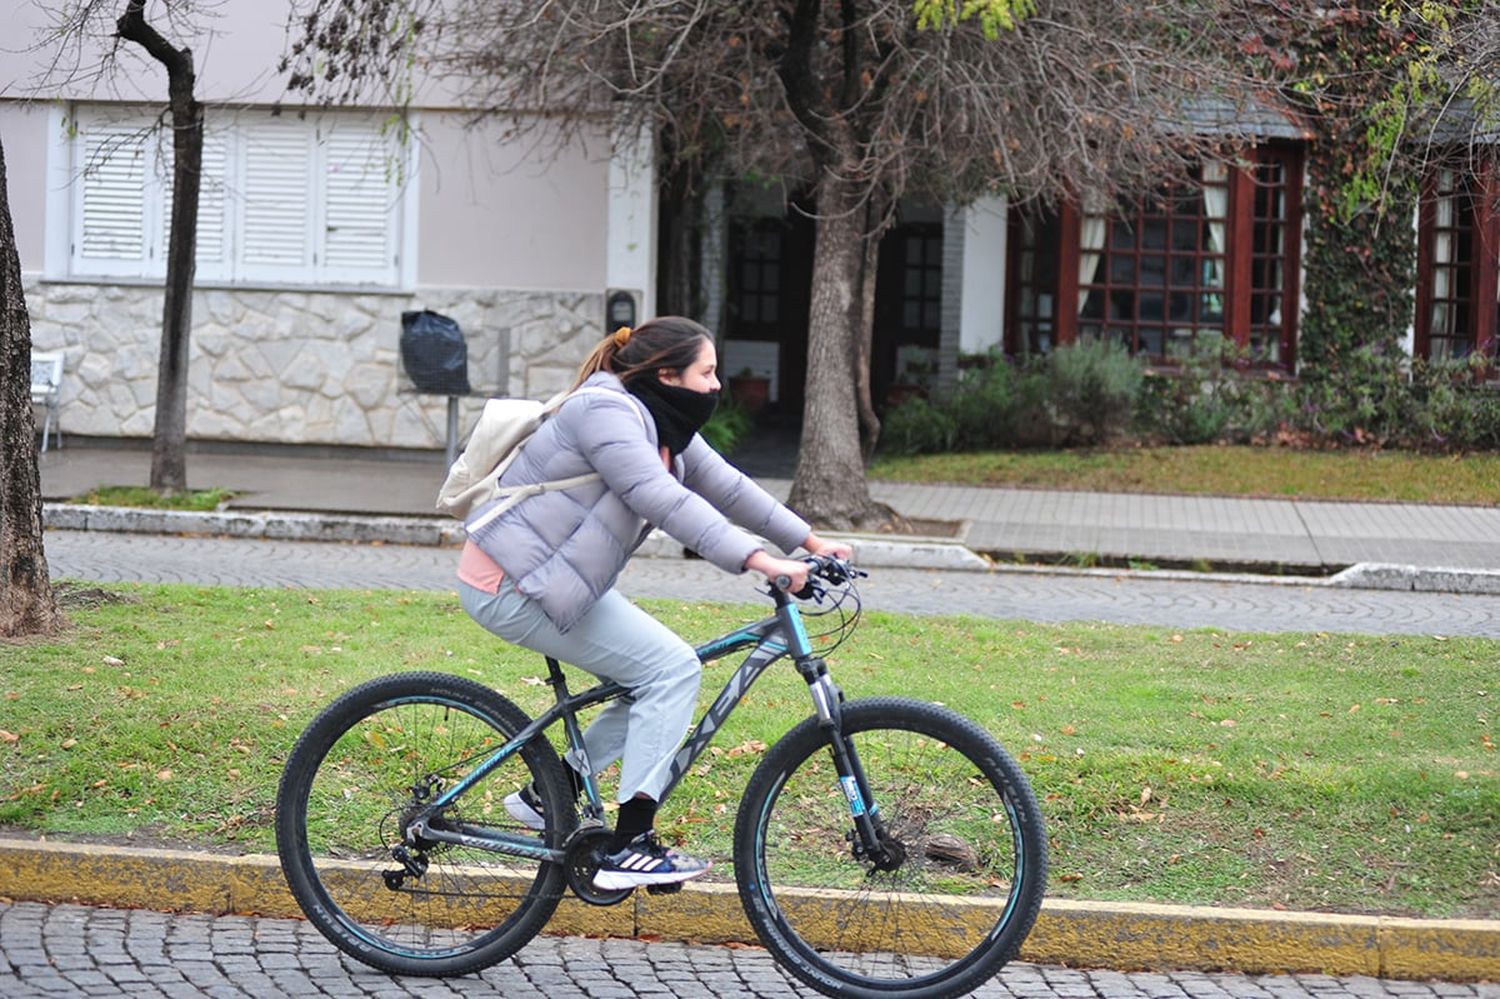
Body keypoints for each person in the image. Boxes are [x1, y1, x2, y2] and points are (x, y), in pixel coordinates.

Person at [456, 316, 851, 890]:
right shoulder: (606, 413)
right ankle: (630, 844)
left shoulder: (661, 422)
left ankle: (552, 790)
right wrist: (761, 561)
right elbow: (659, 498)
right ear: (667, 374)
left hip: (551, 579)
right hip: (510, 583)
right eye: (707, 372)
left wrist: (809, 543)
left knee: (654, 677)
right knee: (670, 668)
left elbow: (730, 487)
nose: (717, 386)